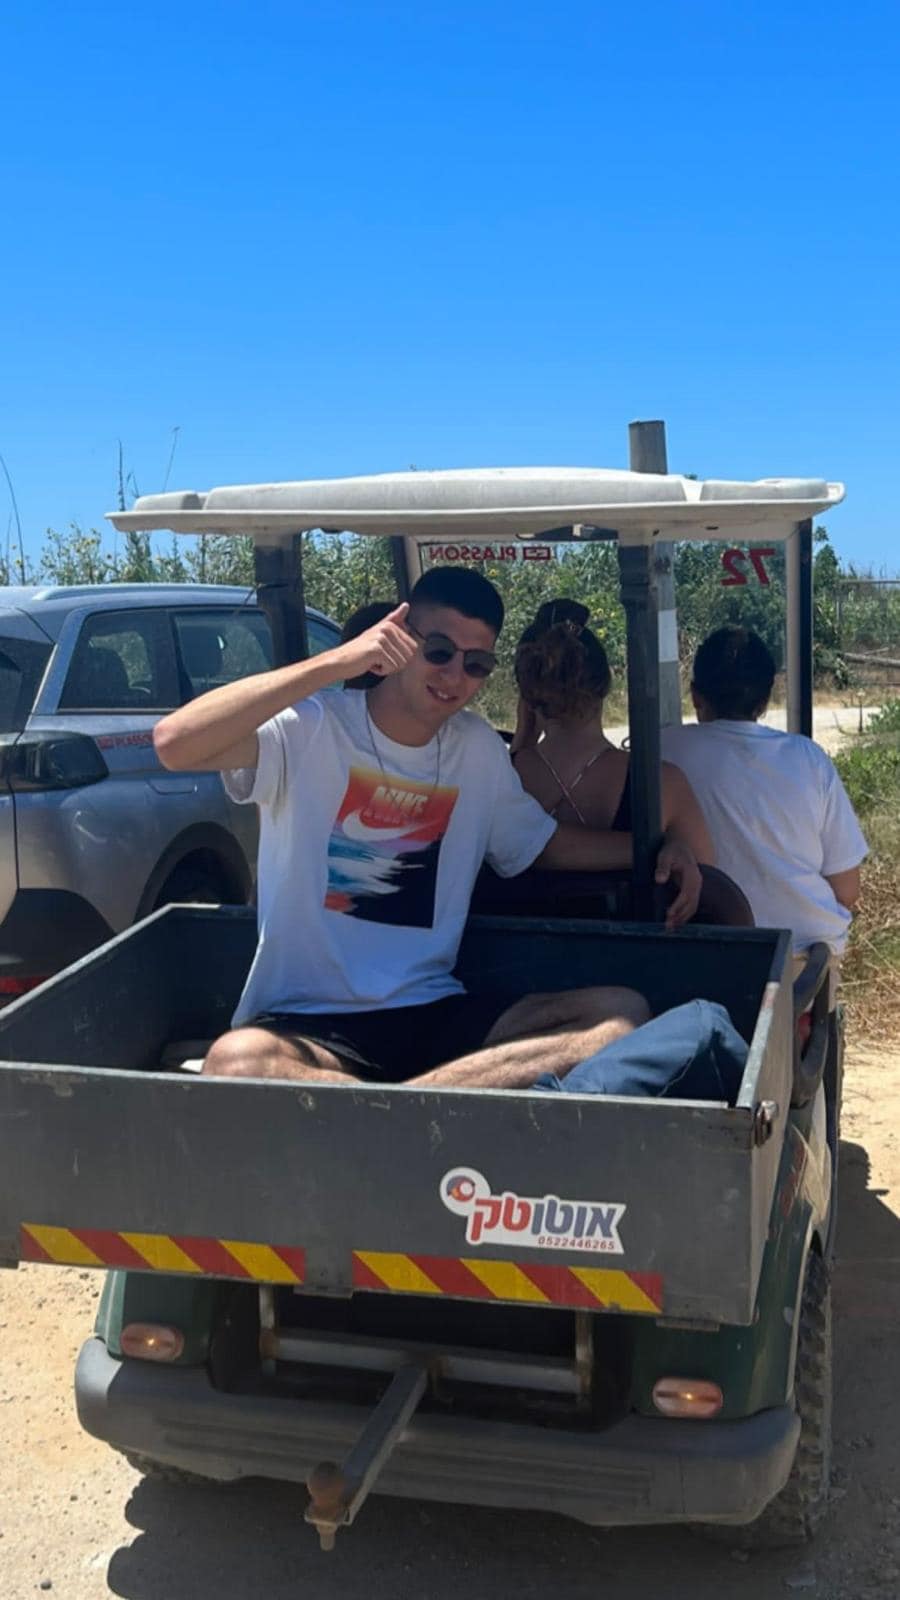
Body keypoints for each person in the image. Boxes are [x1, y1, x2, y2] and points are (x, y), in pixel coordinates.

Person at [153, 567, 702, 1091]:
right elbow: (175, 743)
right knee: (237, 1062)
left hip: (432, 1013)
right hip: (308, 1022)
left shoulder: (478, 750)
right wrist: (337, 661)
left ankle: (394, 1104)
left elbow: (545, 844)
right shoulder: (311, 727)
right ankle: (423, 1104)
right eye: (439, 651)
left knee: (620, 1014)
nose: (454, 676)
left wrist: (659, 848)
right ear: (398, 640)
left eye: (476, 664)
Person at [661, 625, 867, 983]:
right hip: (802, 962)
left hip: (700, 958)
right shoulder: (809, 758)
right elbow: (847, 890)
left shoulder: (663, 749)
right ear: (766, 699)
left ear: (695, 696)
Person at [511, 599, 714, 863]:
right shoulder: (664, 784)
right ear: (606, 682)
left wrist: (520, 744)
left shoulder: (501, 780)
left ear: (528, 698)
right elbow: (708, 876)